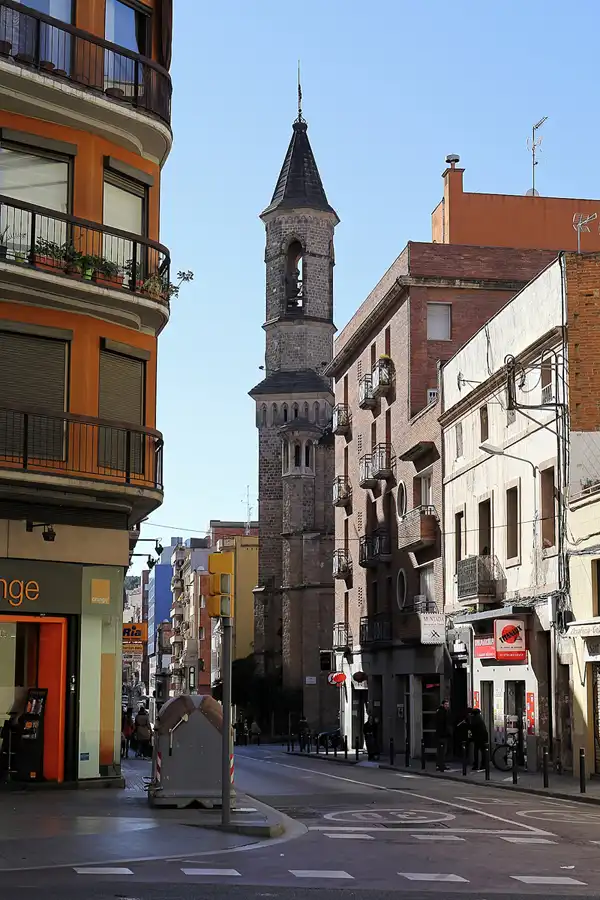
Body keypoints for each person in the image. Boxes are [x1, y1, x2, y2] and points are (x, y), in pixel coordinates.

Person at [434, 699, 451, 771]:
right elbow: (442, 725)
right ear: (443, 705)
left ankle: (439, 765)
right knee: (442, 751)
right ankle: (441, 765)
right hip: (442, 735)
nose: (447, 706)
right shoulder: (442, 712)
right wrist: (446, 733)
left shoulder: (441, 712)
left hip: (441, 734)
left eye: (448, 704)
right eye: (446, 704)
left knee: (441, 751)